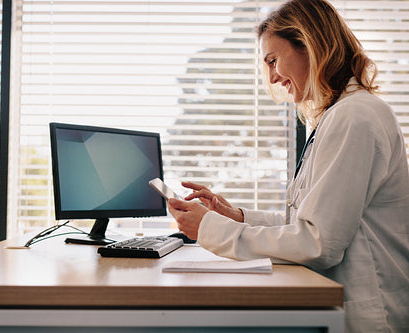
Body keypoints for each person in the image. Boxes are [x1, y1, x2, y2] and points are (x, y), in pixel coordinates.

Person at [167, 0, 409, 332]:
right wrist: (236, 217)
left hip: (370, 316)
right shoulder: (339, 116)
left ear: (311, 44)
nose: (272, 76)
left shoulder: (354, 117)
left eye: (273, 60)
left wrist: (209, 228)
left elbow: (317, 242)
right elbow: (307, 221)